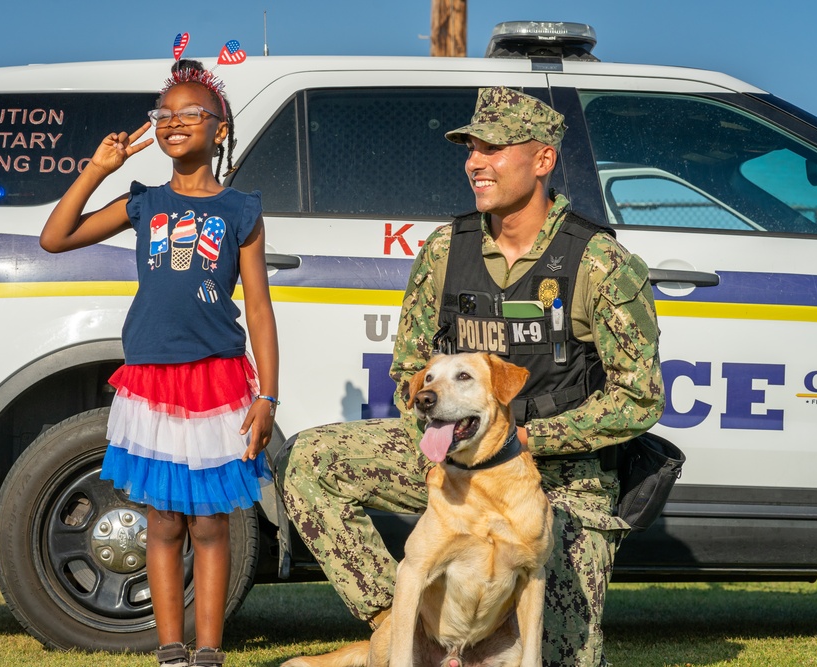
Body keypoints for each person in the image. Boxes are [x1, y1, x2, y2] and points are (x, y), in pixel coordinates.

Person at [276, 87, 664, 667]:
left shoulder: (600, 262)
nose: (474, 163)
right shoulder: (442, 250)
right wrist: (441, 452)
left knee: (561, 658)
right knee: (309, 460)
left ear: (542, 160)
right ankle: (402, 626)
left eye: (494, 148)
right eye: (470, 149)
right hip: (457, 459)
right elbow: (410, 370)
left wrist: (530, 437)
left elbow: (639, 398)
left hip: (561, 477)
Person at [40, 58, 278, 667]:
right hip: (150, 382)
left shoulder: (241, 211)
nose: (174, 124)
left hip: (219, 382)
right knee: (163, 522)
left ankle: (208, 652)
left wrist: (267, 395)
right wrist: (98, 169)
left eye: (190, 114)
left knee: (211, 525)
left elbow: (258, 309)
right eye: (163, 115)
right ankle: (170, 650)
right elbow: (56, 236)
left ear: (219, 129)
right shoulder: (143, 202)